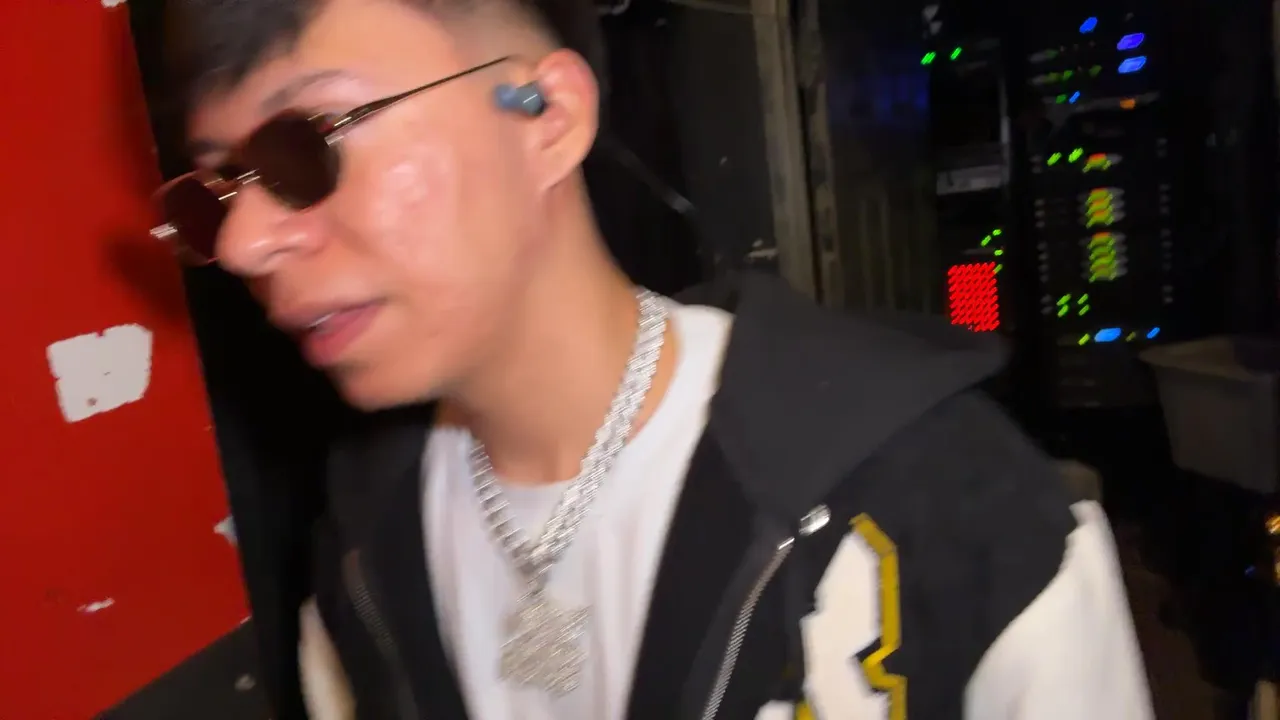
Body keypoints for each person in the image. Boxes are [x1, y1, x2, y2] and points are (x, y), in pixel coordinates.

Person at [153, 0, 1154, 717]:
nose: (244, 243)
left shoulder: (958, 507)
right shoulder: (362, 546)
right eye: (217, 191)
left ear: (546, 116)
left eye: (305, 149)